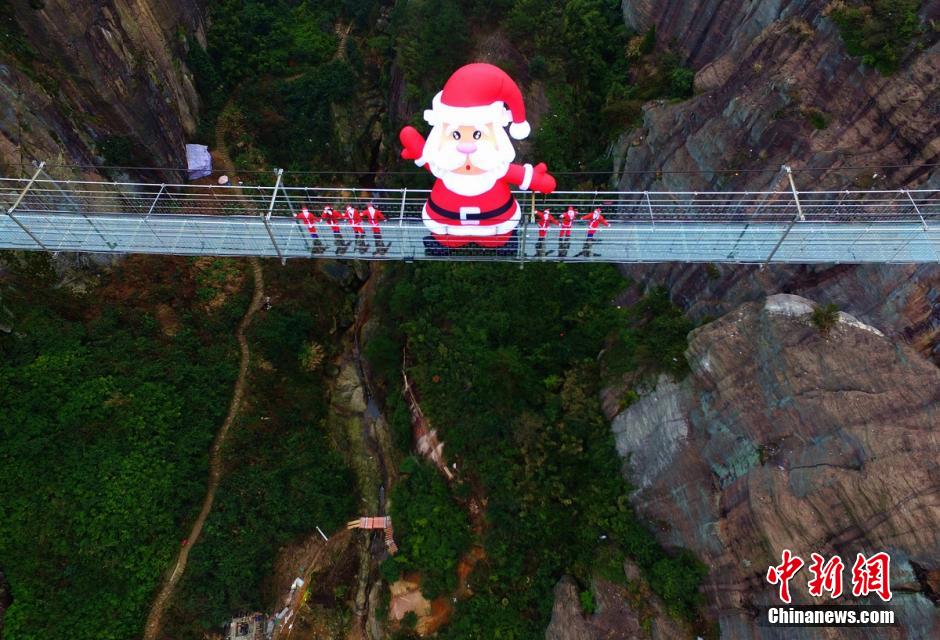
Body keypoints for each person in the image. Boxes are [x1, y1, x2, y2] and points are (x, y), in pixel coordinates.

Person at [399, 63, 556, 256]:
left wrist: (538, 180)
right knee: (449, 236)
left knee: (494, 237)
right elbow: (426, 157)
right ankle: (448, 240)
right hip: (454, 220)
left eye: (477, 135)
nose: (467, 146)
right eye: (455, 135)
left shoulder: (484, 168)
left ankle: (492, 240)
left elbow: (525, 176)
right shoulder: (445, 165)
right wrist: (417, 149)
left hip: (491, 221)